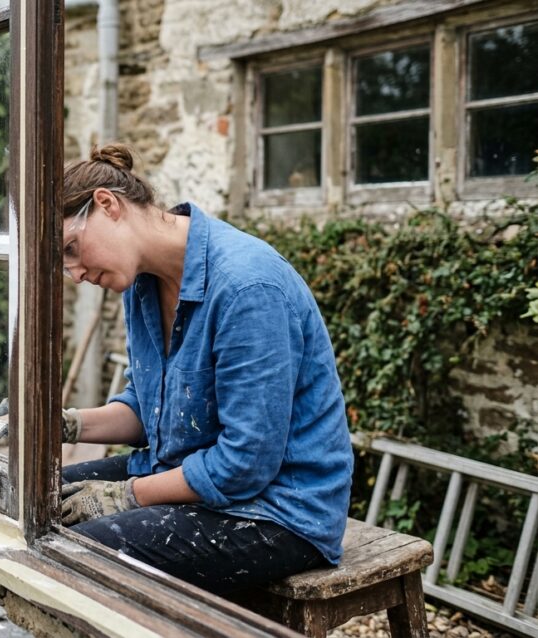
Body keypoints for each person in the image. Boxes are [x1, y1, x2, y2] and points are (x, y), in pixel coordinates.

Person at [56, 143, 353, 594]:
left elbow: (245, 464)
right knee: (38, 495)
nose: (76, 273)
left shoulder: (247, 287)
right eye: (65, 265)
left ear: (107, 204)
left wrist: (125, 495)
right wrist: (66, 425)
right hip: (186, 476)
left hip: (277, 510)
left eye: (72, 249)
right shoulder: (141, 285)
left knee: (77, 552)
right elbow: (150, 409)